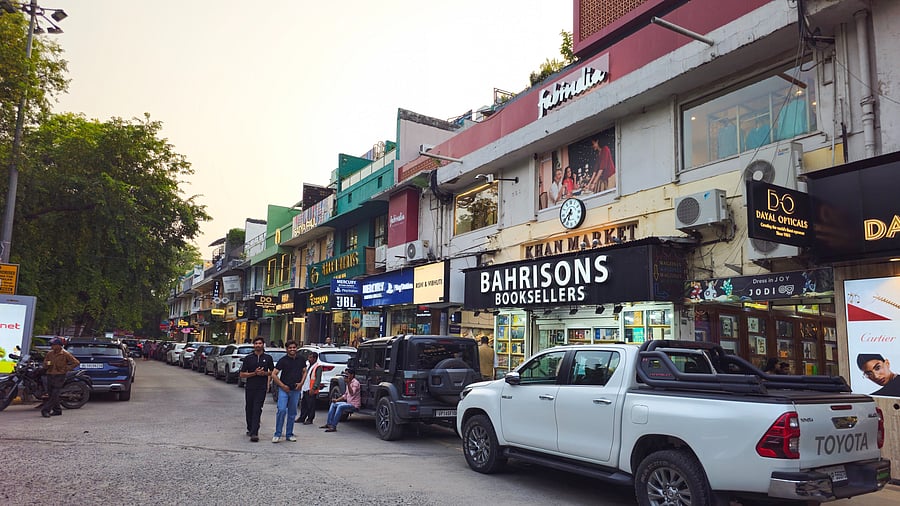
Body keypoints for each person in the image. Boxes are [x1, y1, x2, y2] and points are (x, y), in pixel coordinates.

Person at [238, 337, 274, 442]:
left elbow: (273, 372)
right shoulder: (249, 358)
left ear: (263, 345)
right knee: (249, 408)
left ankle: (255, 432)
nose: (258, 345)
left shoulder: (268, 358)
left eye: (260, 343)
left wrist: (265, 374)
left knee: (257, 409)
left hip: (261, 388)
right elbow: (242, 374)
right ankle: (250, 428)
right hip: (250, 387)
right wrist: (254, 373)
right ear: (254, 345)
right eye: (256, 343)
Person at [271, 340, 306, 442]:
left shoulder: (301, 359)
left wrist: (301, 383)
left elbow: (304, 371)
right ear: (287, 349)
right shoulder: (283, 360)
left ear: (296, 348)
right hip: (284, 389)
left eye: (294, 347)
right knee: (281, 410)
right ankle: (277, 434)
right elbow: (274, 374)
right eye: (290, 348)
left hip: (295, 389)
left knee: (292, 412)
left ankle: (289, 434)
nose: (292, 349)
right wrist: (282, 385)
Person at [42, 337, 79, 418]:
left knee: (55, 393)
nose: (52, 347)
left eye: (54, 345)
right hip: (50, 374)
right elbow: (45, 362)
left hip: (60, 375)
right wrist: (47, 364)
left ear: (59, 345)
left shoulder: (65, 354)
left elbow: (75, 362)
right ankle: (57, 410)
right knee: (51, 393)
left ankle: (46, 410)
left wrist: (66, 368)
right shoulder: (50, 353)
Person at [296, 352, 323, 425]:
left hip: (311, 388)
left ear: (315, 358)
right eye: (309, 357)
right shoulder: (308, 365)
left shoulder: (318, 367)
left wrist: (314, 388)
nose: (309, 359)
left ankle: (310, 419)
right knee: (304, 404)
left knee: (311, 405)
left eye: (311, 357)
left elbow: (318, 379)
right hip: (305, 387)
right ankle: (302, 417)